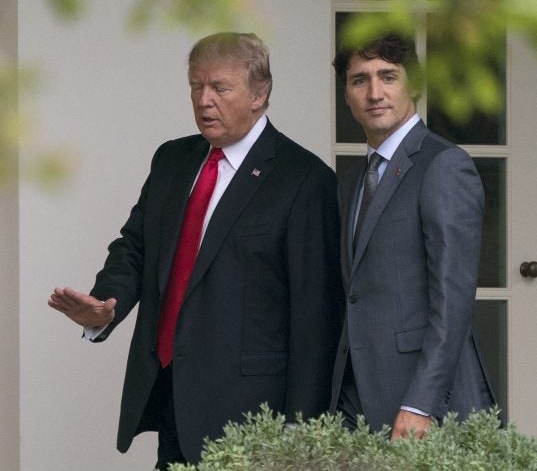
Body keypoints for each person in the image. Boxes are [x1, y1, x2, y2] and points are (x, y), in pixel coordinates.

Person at [48, 32, 343, 469]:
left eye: (220, 88)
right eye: (195, 86)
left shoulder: (304, 180)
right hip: (170, 393)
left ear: (260, 94)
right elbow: (136, 246)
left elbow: (316, 315)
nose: (204, 100)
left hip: (253, 415)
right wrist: (105, 304)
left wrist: (302, 430)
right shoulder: (172, 159)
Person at [329, 33, 495, 440]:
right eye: (359, 80)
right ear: (347, 95)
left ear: (415, 84)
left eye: (388, 76)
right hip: (354, 395)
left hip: (423, 400)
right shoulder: (350, 182)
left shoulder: (444, 165)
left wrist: (420, 402)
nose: (374, 92)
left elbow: (453, 300)